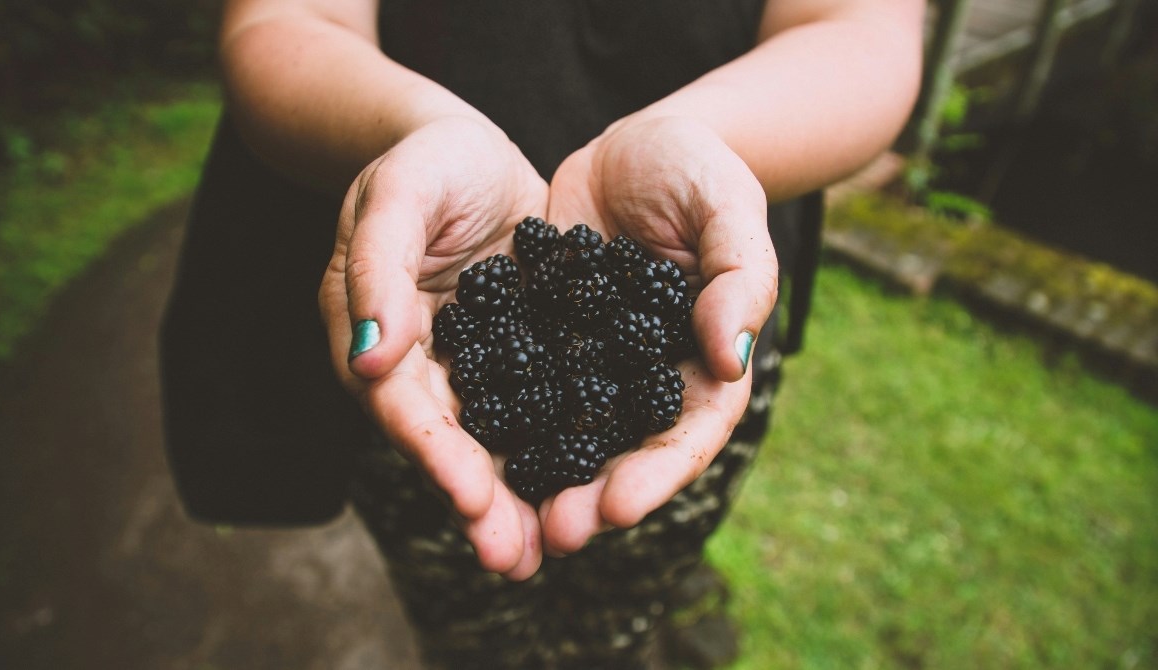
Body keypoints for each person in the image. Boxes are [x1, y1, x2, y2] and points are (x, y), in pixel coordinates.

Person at [160, 1, 924, 667]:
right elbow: (281, 21)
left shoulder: (621, 333)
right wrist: (420, 132)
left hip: (698, 295)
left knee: (626, 602)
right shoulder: (494, 332)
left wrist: (694, 135)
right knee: (469, 622)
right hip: (420, 300)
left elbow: (861, 28)